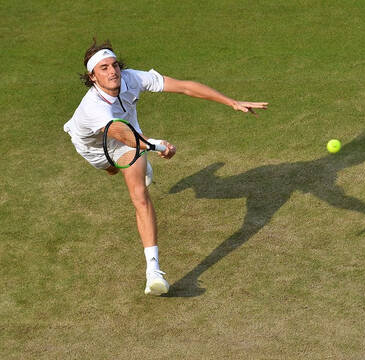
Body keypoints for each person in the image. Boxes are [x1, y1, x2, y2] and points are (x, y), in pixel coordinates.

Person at [64, 39, 268, 296]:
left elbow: (183, 87)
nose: (112, 71)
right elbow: (121, 135)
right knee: (112, 169)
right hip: (95, 147)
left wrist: (231, 101)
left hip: (130, 140)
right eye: (103, 68)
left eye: (114, 65)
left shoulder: (131, 78)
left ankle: (153, 272)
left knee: (139, 196)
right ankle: (129, 164)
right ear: (92, 77)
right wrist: (157, 146)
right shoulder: (92, 107)